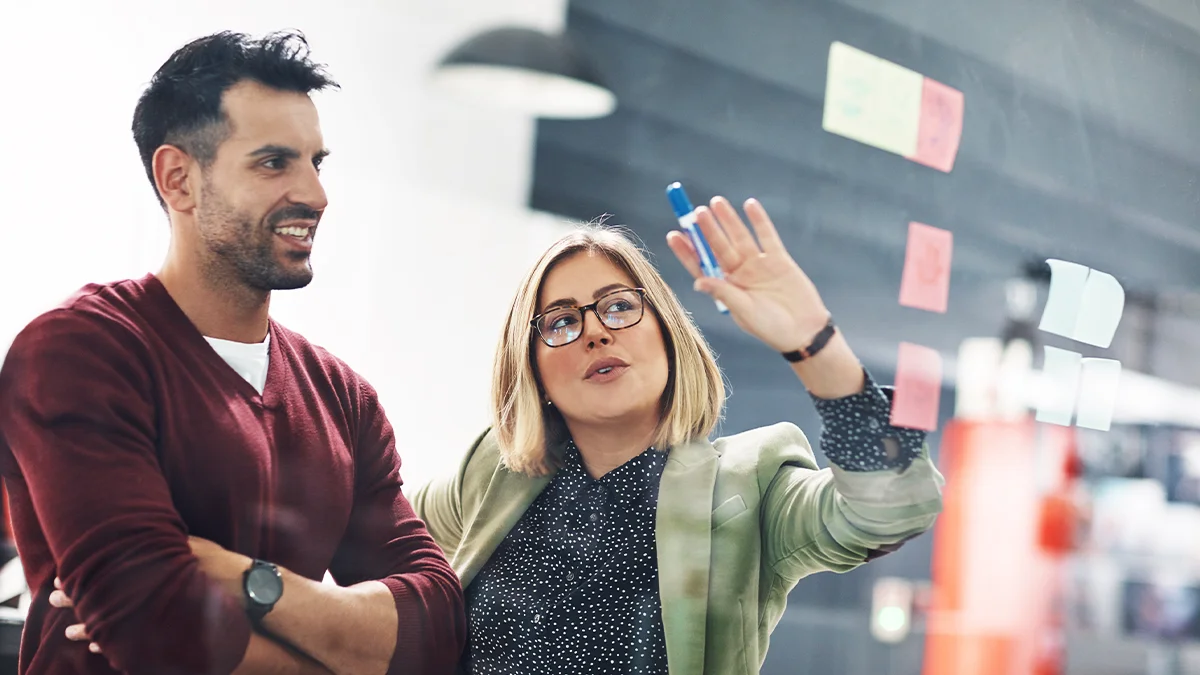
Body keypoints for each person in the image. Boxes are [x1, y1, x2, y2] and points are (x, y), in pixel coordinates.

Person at [0, 31, 465, 675]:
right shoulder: (79, 353)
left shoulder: (343, 397)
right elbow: (154, 629)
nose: (315, 195)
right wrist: (349, 653)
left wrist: (247, 581)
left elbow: (437, 627)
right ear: (179, 179)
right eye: (274, 162)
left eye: (316, 162)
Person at [406, 199, 946, 674]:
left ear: (667, 333)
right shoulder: (492, 473)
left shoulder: (748, 486)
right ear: (532, 367)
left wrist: (814, 343)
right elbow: (372, 528)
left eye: (619, 306)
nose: (594, 331)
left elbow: (892, 509)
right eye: (561, 321)